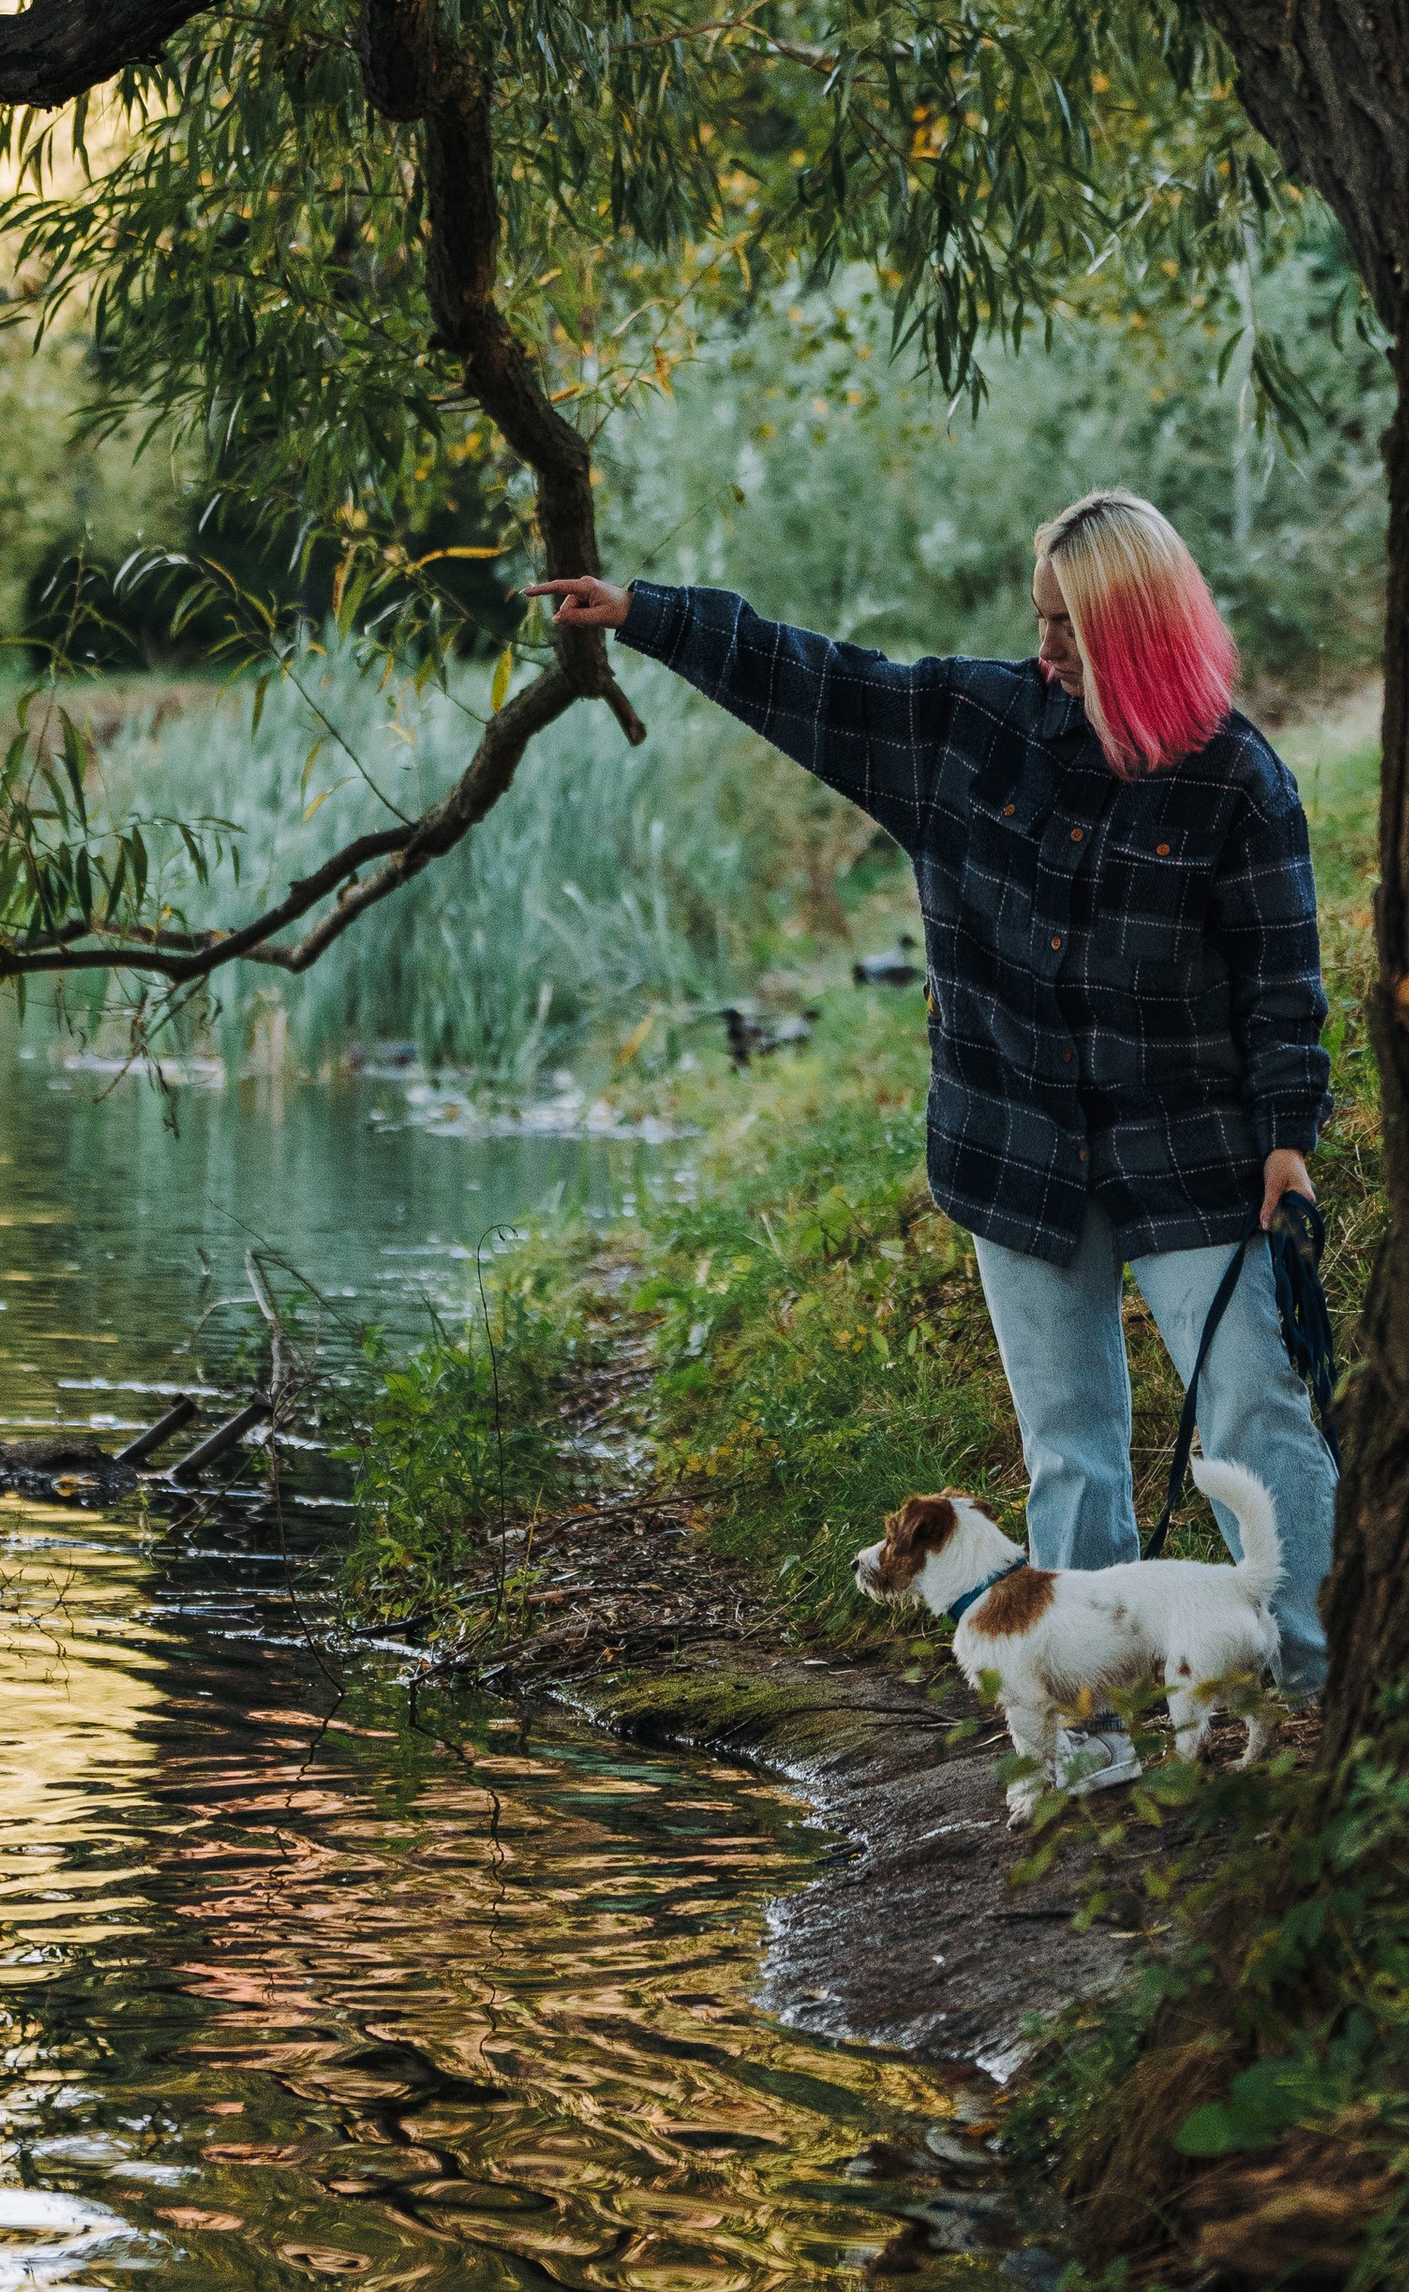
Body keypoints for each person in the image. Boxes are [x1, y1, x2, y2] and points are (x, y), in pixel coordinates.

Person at [529, 490, 1338, 1768]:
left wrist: (1288, 1134)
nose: (1045, 650)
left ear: (1138, 634)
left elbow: (1282, 985)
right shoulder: (969, 724)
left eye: (1070, 629)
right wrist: (648, 615)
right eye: (1040, 621)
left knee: (1254, 1413)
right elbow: (811, 678)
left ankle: (1310, 1693)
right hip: (1014, 1149)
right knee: (1069, 1452)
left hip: (1193, 1157)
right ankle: (1090, 1739)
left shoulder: (1240, 783)